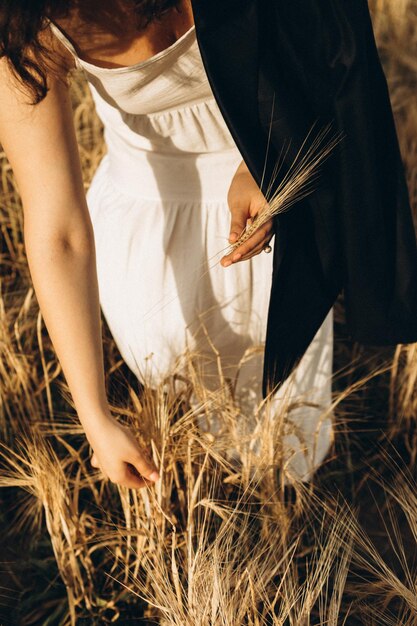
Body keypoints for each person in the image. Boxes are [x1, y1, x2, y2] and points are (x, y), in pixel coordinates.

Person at [3, 0, 391, 491]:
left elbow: (330, 49)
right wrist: (95, 418)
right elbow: (56, 225)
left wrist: (271, 155)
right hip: (153, 242)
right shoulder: (24, 25)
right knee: (195, 439)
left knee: (291, 425)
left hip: (278, 211)